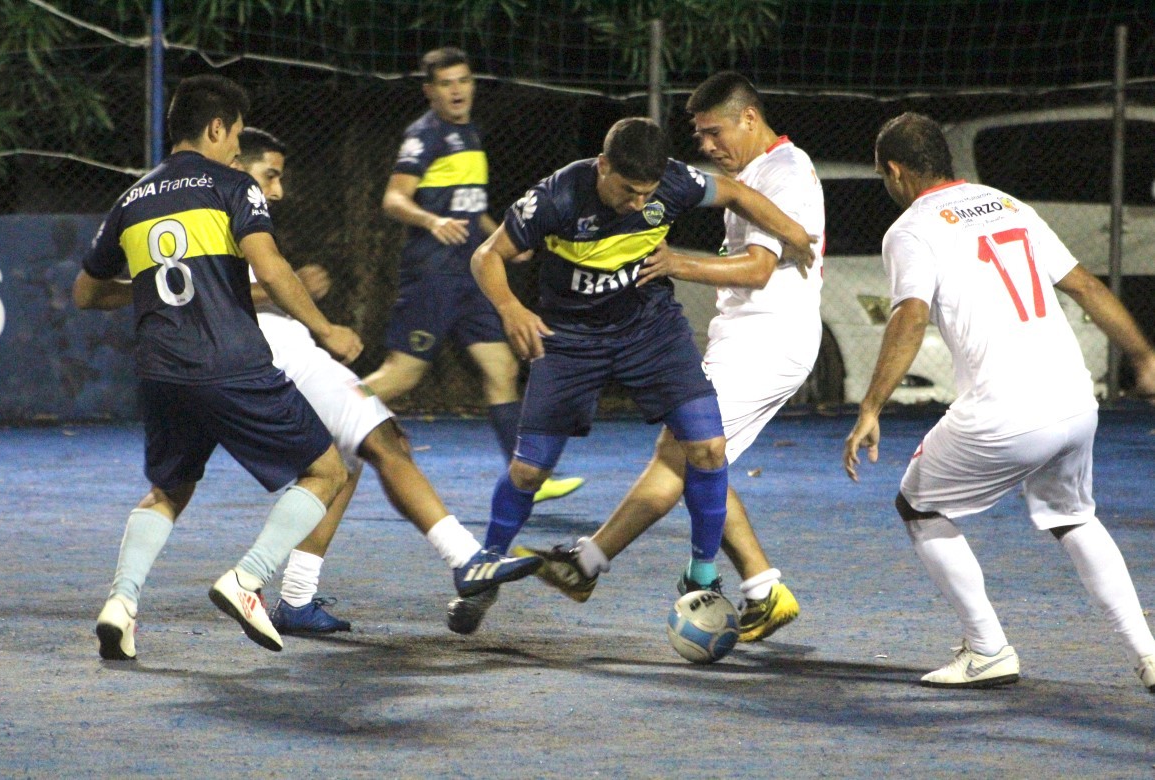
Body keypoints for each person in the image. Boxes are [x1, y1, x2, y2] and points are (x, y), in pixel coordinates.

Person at [455, 115, 819, 635]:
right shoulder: (557, 197)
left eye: (643, 193)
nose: (634, 203)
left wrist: (794, 234)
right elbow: (487, 256)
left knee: (708, 447)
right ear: (603, 166)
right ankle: (485, 568)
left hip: (650, 329)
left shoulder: (672, 181)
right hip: (571, 339)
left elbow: (736, 193)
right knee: (529, 472)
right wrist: (511, 309)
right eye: (626, 191)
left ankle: (703, 576)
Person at [843, 111, 1155, 691]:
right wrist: (1143, 354)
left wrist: (870, 408)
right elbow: (1085, 285)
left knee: (919, 506)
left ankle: (987, 649)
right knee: (1075, 517)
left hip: (1006, 413)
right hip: (1074, 401)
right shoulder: (1007, 203)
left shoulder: (911, 228)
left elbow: (910, 316)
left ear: (894, 170)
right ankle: (1149, 652)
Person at [74, 74, 364, 660]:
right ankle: (249, 578)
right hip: (230, 362)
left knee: (168, 489)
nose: (236, 146)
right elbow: (271, 265)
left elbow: (85, 293)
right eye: (234, 133)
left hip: (161, 371)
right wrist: (326, 327)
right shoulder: (233, 185)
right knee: (328, 471)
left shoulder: (131, 199)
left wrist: (150, 289)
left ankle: (121, 604)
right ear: (216, 127)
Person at [232, 127, 541, 635]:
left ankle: (295, 599)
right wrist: (297, 301)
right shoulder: (224, 209)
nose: (278, 190)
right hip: (274, 352)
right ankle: (467, 559)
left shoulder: (205, 204)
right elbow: (219, 293)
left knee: (345, 457)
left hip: (267, 352)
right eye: (271, 176)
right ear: (235, 164)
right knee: (383, 437)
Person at [360, 46, 581, 503]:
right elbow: (394, 199)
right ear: (430, 91)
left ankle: (526, 477)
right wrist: (431, 221)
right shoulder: (424, 136)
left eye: (464, 80)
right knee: (400, 377)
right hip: (433, 274)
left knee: (501, 367)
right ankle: (317, 416)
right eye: (446, 83)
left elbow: (472, 210)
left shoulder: (472, 134)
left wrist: (504, 242)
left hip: (470, 276)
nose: (457, 90)